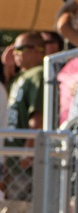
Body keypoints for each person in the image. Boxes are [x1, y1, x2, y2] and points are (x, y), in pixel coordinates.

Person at [3, 32, 46, 200]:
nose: (15, 53)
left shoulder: (38, 74)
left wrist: (28, 151)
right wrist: (7, 67)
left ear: (37, 50)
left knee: (22, 208)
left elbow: (38, 115)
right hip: (13, 157)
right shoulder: (21, 76)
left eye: (20, 48)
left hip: (24, 159)